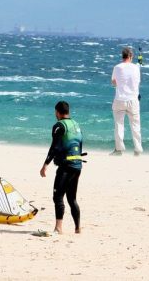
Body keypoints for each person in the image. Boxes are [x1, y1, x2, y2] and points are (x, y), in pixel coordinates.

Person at [40, 100, 83, 234]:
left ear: (57, 112)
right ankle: (77, 228)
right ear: (68, 111)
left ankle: (58, 228)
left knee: (58, 196)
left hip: (66, 166)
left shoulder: (59, 126)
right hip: (77, 164)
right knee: (72, 198)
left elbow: (54, 147)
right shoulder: (76, 125)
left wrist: (45, 165)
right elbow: (80, 144)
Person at [110, 46, 142, 156]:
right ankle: (137, 149)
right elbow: (138, 81)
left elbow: (113, 82)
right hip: (133, 100)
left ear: (122, 56)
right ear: (131, 56)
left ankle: (119, 149)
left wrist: (119, 84)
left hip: (120, 99)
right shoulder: (136, 68)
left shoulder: (117, 67)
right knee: (135, 126)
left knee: (119, 125)